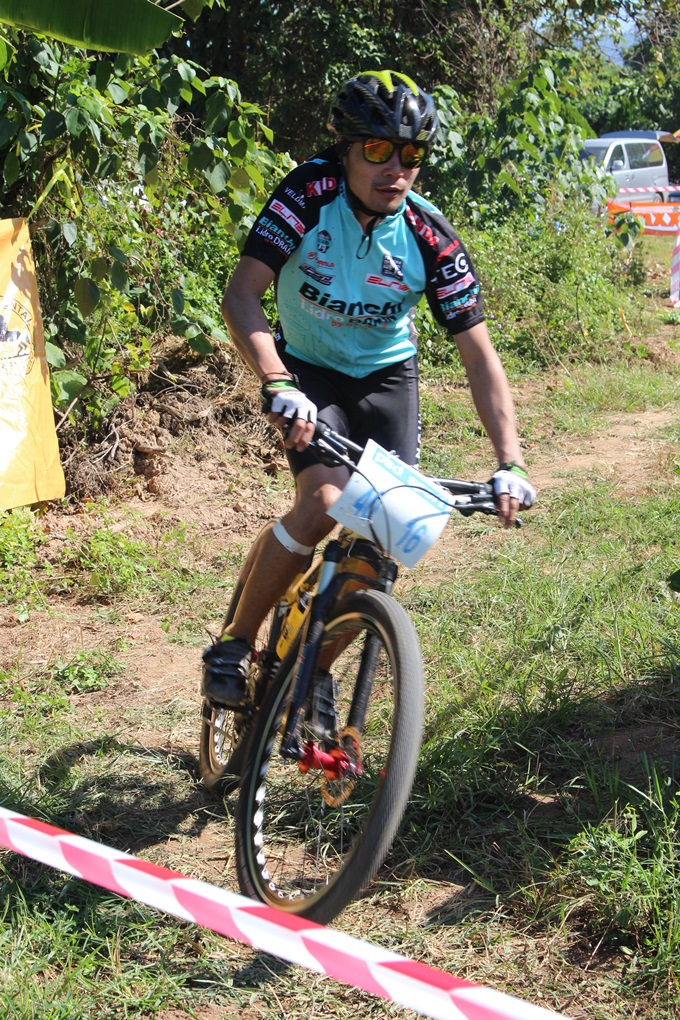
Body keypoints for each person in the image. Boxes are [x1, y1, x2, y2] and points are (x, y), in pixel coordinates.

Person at [202, 69, 536, 706]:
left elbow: (480, 357)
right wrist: (277, 381)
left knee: (386, 537)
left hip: (387, 378)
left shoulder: (430, 236)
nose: (396, 169)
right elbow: (241, 296)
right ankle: (235, 645)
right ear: (346, 149)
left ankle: (313, 671)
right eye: (378, 150)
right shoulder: (308, 193)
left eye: (411, 154)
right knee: (324, 501)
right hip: (308, 369)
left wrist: (509, 461)